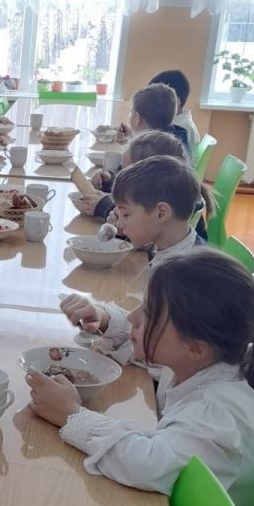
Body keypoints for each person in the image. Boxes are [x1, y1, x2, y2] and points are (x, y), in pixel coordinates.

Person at [27, 251, 254, 506]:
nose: (133, 317)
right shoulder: (204, 364)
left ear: (196, 348)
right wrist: (106, 319)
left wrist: (71, 415)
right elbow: (152, 353)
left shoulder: (219, 413)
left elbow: (147, 463)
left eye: (149, 313)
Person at [61, 154, 208, 366]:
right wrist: (105, 318)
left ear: (161, 213)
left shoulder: (183, 279)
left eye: (126, 214)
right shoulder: (171, 250)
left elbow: (158, 354)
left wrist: (110, 341)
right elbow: (150, 324)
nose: (119, 224)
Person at [78, 130, 188, 219]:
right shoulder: (159, 194)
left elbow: (137, 225)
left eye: (125, 171)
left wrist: (105, 207)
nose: (121, 177)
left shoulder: (158, 216)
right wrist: (109, 183)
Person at [128, 83, 191, 157]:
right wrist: (131, 137)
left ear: (138, 118)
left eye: (131, 111)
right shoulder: (176, 141)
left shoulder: (142, 152)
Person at [149, 69, 201, 150]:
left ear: (175, 101)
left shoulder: (179, 128)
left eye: (155, 100)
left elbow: (158, 153)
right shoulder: (183, 122)